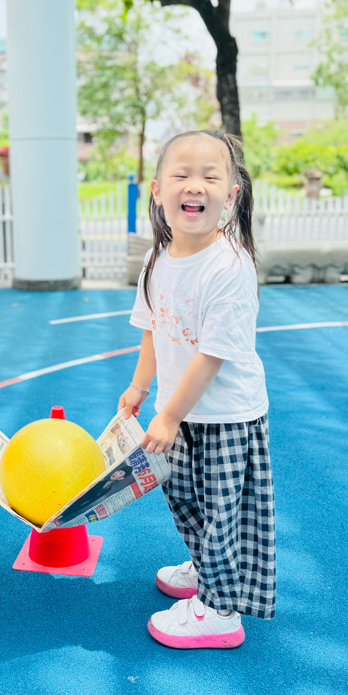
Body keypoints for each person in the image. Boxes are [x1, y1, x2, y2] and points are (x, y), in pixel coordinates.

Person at [118, 129, 274, 650]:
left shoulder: (229, 267)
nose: (195, 185)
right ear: (158, 190)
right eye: (182, 174)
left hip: (225, 416)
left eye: (210, 176)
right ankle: (206, 566)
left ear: (231, 194)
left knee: (222, 513)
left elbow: (211, 357)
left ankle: (220, 610)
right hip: (180, 411)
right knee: (183, 496)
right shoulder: (157, 259)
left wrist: (167, 416)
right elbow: (152, 328)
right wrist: (140, 388)